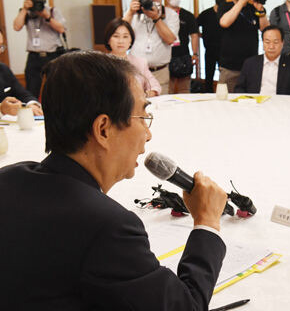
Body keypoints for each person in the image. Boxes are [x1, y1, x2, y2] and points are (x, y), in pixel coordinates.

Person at [0, 51, 228, 309]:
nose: (148, 134)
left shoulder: (8, 178)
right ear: (103, 129)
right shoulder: (108, 227)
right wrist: (207, 223)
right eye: (143, 117)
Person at [123, 0, 179, 95]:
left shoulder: (171, 14)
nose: (148, 1)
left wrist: (156, 18)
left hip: (159, 71)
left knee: (161, 107)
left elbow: (170, 40)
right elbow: (119, 33)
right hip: (136, 71)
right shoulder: (133, 14)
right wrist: (130, 12)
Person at [12, 0, 66, 98]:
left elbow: (61, 28)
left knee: (57, 88)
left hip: (53, 55)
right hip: (34, 57)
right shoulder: (26, 13)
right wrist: (24, 9)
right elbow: (16, 27)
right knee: (31, 89)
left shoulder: (52, 11)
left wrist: (47, 17)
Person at [218, 0, 269, 92]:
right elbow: (224, 22)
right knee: (227, 102)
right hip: (230, 67)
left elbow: (265, 29)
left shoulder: (253, 9)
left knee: (250, 101)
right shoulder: (225, 7)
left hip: (251, 65)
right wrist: (240, 3)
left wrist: (260, 10)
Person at [234, 25, 290, 95]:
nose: (271, 46)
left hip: (281, 105)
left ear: (282, 43)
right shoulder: (250, 63)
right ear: (262, 43)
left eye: (275, 42)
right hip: (255, 105)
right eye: (267, 42)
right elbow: (239, 88)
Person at [104, 18, 160, 97]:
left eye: (125, 37)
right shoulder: (101, 63)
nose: (121, 41)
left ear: (131, 41)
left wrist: (146, 94)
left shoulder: (140, 62)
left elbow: (155, 86)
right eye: (116, 36)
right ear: (108, 40)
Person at [165, 0, 200, 94]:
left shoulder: (187, 15)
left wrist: (195, 54)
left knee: (184, 89)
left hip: (183, 54)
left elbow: (194, 35)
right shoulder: (160, 14)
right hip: (166, 56)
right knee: (167, 89)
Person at [197, 0, 228, 93]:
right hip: (209, 50)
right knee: (208, 76)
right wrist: (200, 35)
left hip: (225, 51)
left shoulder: (228, 13)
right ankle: (208, 96)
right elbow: (194, 26)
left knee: (225, 77)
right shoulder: (206, 13)